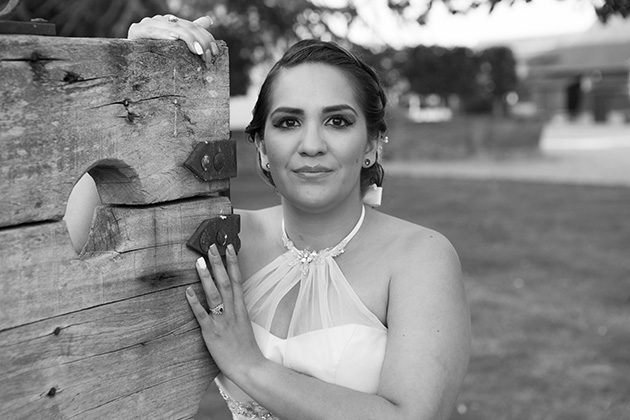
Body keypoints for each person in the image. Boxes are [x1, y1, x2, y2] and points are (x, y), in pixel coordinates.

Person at [129, 15, 471, 420]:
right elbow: (79, 235)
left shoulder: (421, 257)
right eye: (289, 122)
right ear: (260, 147)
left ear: (372, 145)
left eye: (337, 121)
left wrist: (248, 365)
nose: (311, 145)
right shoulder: (226, 238)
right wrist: (132, 63)